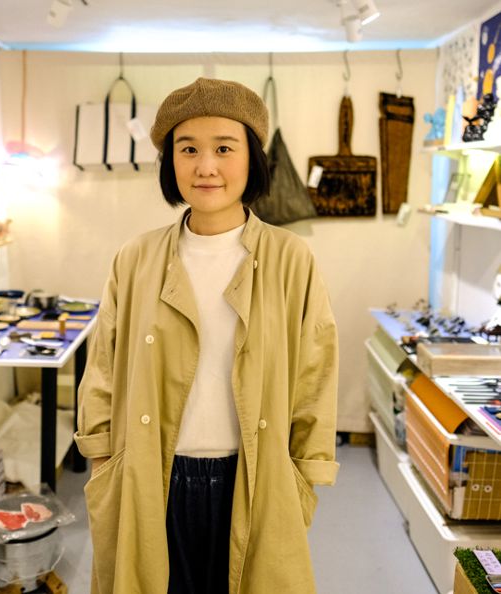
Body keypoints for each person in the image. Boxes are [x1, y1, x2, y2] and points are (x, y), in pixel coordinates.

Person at [74, 77, 339, 594]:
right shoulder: (136, 258)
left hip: (254, 476)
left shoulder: (290, 259)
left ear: (252, 158)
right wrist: (103, 460)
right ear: (171, 162)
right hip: (151, 472)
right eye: (188, 149)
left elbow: (316, 372)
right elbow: (102, 365)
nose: (206, 166)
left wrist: (305, 475)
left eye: (224, 148)